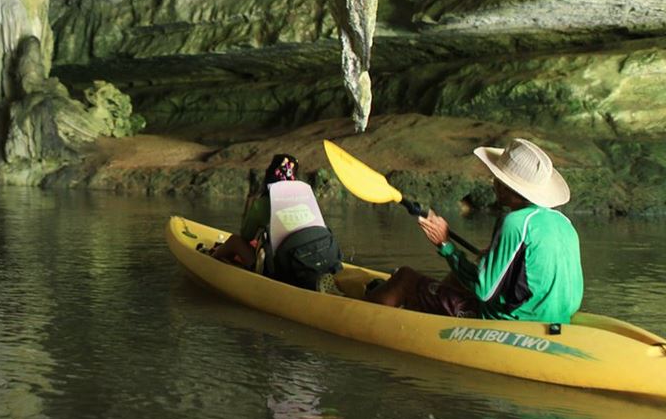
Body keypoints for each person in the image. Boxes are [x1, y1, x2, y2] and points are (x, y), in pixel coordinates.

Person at [365, 138, 584, 324]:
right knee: (455, 279)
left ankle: (366, 310)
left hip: (511, 322)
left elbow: (484, 291)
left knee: (405, 279)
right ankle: (426, 308)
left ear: (507, 185)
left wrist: (445, 246)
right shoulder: (563, 222)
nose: (493, 181)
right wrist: (490, 258)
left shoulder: (514, 222)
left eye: (497, 177)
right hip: (555, 318)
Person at [212, 154, 344, 290]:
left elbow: (246, 236)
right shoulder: (306, 198)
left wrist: (249, 204)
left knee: (235, 241)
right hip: (323, 258)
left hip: (285, 271)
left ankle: (210, 259)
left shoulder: (261, 203)